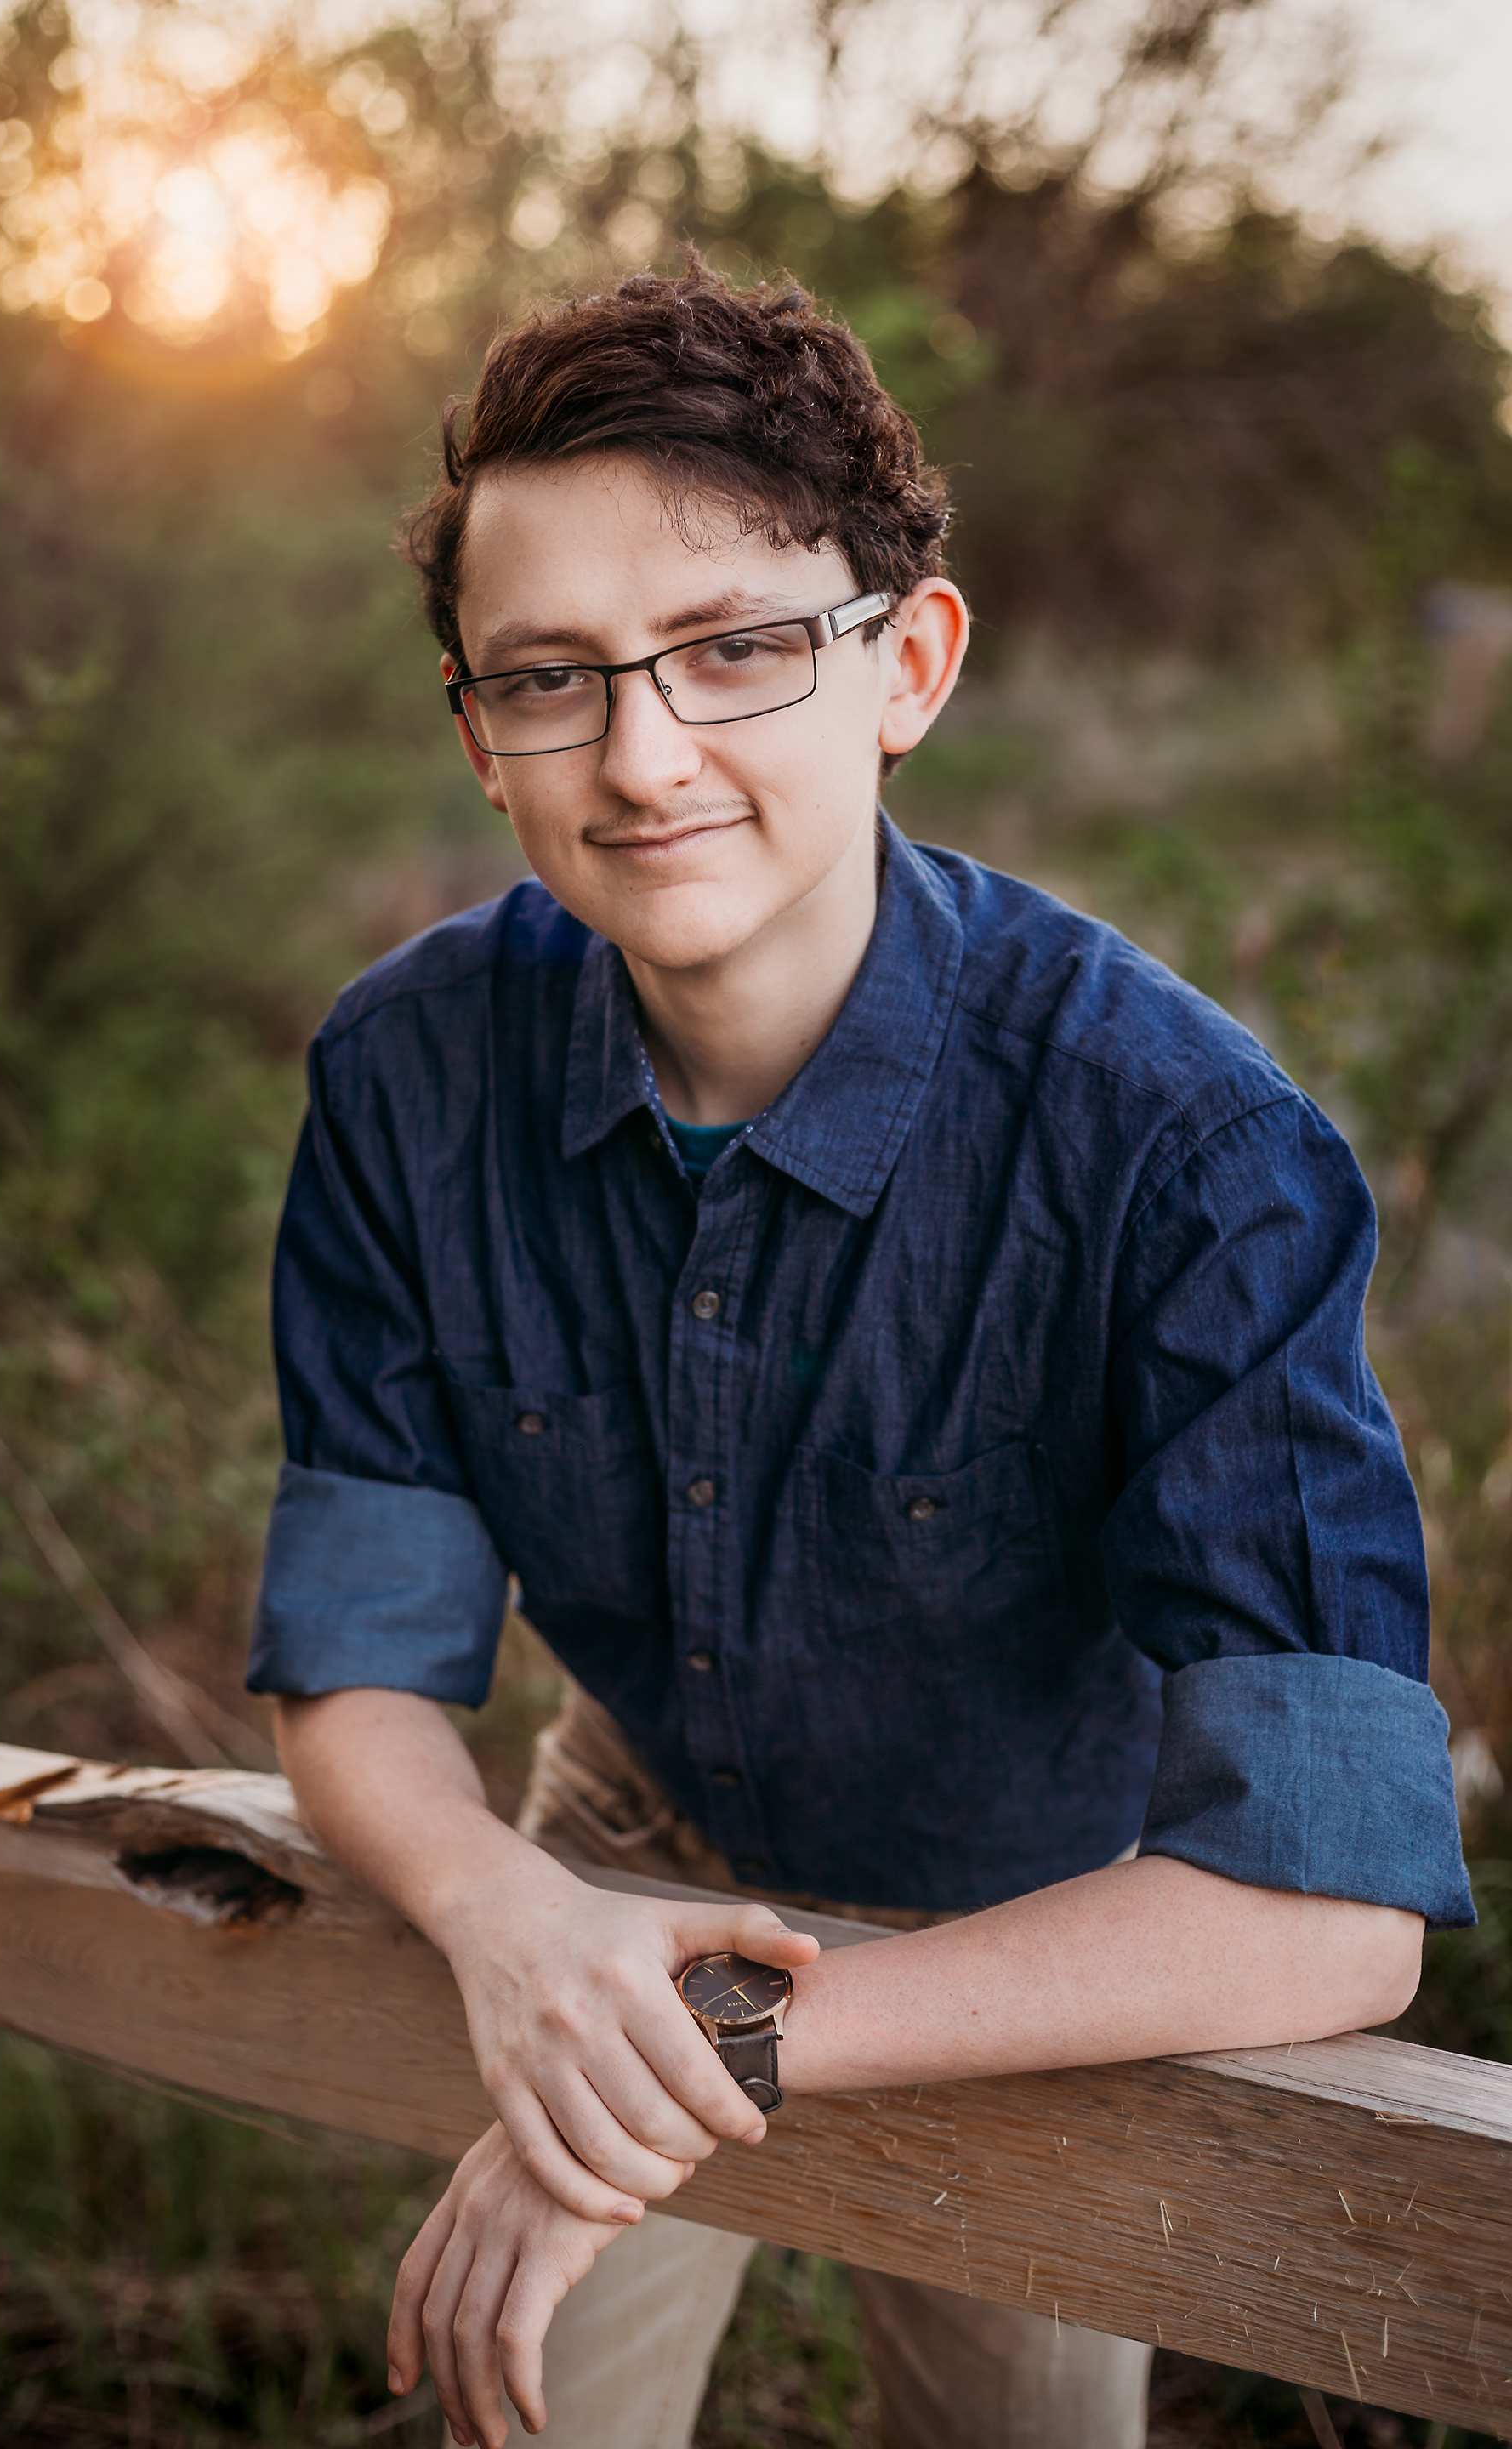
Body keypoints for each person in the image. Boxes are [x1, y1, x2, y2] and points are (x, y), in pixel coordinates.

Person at [247, 257, 1471, 2449]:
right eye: (553, 678)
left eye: (734, 649)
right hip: (626, 1837)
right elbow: (357, 1663)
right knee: (512, 2411)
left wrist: (709, 2039)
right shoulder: (405, 1074)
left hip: (1053, 1916)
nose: (644, 758)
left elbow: (1326, 1908)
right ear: (478, 734)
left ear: (906, 664)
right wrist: (517, 1926)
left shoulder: (1186, 1148)